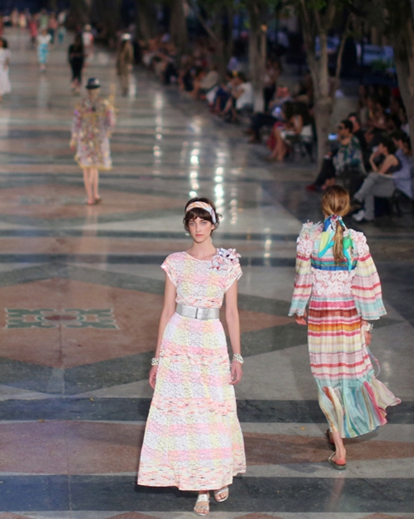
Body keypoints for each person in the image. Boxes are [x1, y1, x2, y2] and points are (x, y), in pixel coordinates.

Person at [137, 198, 245, 517]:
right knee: (188, 414)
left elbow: (233, 313)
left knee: (211, 411)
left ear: (213, 224)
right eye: (192, 222)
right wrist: (157, 359)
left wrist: (237, 356)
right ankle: (201, 486)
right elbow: (167, 310)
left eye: (203, 222)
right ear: (187, 225)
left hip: (211, 339)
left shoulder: (227, 262)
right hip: (179, 338)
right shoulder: (175, 261)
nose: (198, 228)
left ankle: (216, 475)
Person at [289, 185, 400, 470]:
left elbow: (303, 279)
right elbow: (367, 285)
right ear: (347, 207)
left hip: (321, 319)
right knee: (348, 377)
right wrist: (367, 323)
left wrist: (300, 309)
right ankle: (345, 427)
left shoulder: (310, 239)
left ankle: (339, 447)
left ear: (324, 208)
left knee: (326, 381)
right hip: (349, 318)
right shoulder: (357, 240)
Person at [70, 78, 114, 205]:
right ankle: (95, 194)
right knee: (95, 168)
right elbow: (111, 122)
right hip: (99, 140)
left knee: (87, 169)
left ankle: (90, 197)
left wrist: (73, 138)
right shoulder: (105, 104)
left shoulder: (81, 104)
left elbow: (76, 122)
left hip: (84, 139)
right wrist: (106, 132)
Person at [350, 137, 401, 222]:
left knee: (372, 177)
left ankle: (358, 197)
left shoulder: (390, 157)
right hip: (383, 183)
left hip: (390, 185)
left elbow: (379, 173)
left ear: (385, 148)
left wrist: (373, 172)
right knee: (368, 189)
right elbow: (377, 172)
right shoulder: (384, 158)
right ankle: (368, 215)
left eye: (380, 146)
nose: (378, 148)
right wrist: (371, 161)